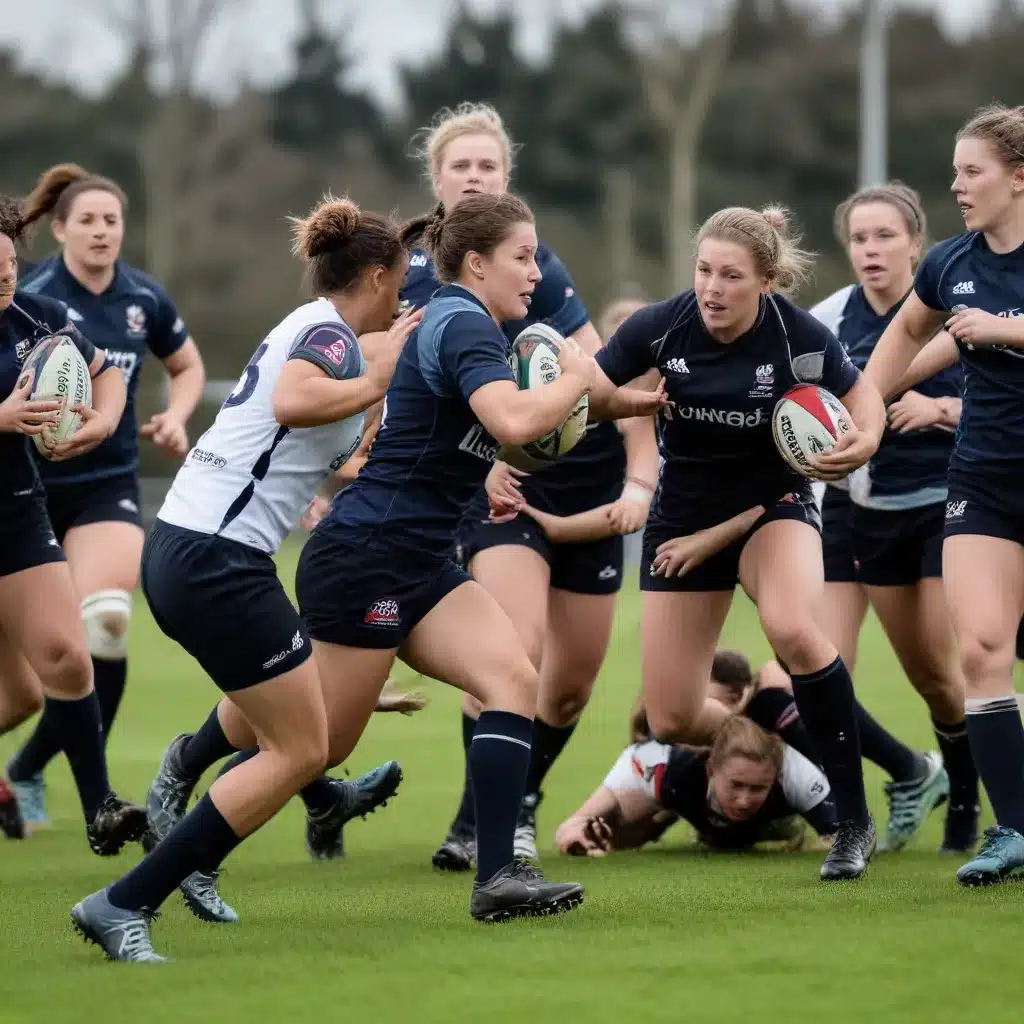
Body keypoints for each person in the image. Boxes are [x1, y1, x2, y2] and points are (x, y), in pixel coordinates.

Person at [292, 193, 663, 928]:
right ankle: (168, 855)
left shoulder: (484, 326)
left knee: (512, 676)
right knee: (312, 746)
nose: (537, 270)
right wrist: (578, 376)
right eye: (524, 257)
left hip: (419, 558)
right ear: (476, 260)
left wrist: (646, 399)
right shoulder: (463, 322)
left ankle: (495, 874)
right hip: (372, 551)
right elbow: (518, 420)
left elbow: (541, 421)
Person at [70, 195, 421, 962]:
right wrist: (377, 378)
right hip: (214, 561)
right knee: (300, 749)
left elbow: (307, 448)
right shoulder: (329, 335)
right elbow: (296, 404)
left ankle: (197, 834)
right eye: (399, 281)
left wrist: (377, 409)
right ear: (372, 275)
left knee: (299, 736)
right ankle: (126, 900)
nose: (403, 297)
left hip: (199, 553)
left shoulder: (326, 336)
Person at [590, 203, 888, 881]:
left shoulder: (797, 338)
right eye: (703, 271)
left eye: (730, 275)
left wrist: (864, 439)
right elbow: (590, 390)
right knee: (667, 717)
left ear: (767, 280)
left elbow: (863, 396)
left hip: (772, 508)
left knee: (791, 627)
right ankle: (774, 725)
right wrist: (630, 403)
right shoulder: (660, 327)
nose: (712, 288)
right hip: (683, 517)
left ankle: (851, 818)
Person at [399, 103, 660, 872]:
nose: (475, 177)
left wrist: (643, 474)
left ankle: (496, 808)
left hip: (586, 487)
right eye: (461, 167)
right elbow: (408, 391)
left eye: (489, 167)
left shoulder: (531, 262)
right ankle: (500, 821)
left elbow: (601, 375)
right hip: (501, 493)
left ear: (507, 182)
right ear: (436, 181)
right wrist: (484, 460)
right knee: (514, 652)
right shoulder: (411, 276)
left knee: (570, 689)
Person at [6, 164, 206, 829]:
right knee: (17, 696)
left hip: (86, 492)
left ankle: (93, 803)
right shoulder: (38, 293)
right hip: (38, 484)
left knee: (93, 634)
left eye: (111, 220)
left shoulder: (124, 301)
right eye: (86, 219)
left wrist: (141, 415)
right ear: (59, 229)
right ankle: (28, 770)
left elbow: (150, 369)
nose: (100, 231)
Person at [864, 102, 1024, 887]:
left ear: (1018, 179)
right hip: (984, 479)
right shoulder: (951, 262)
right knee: (982, 650)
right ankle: (1016, 830)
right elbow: (909, 335)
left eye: (972, 172)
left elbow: (983, 332)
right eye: (955, 171)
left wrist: (1007, 330)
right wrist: (861, 411)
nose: (956, 186)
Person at [804, 182, 979, 854]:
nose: (871, 250)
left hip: (945, 505)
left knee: (939, 673)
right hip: (857, 510)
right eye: (858, 238)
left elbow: (1000, 399)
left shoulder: (949, 306)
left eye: (885, 236)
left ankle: (963, 801)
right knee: (820, 670)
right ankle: (887, 794)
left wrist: (939, 411)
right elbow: (798, 400)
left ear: (916, 242)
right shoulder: (829, 320)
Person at [0, 189, 147, 853]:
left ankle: (101, 809)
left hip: (15, 513)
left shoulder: (35, 316)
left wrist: (103, 421)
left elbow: (103, 374)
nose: (5, 281)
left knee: (57, 665)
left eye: (8, 268)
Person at [555, 715, 836, 858]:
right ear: (711, 769)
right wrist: (580, 841)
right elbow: (570, 827)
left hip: (774, 828)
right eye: (736, 785)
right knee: (621, 828)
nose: (743, 800)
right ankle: (666, 818)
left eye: (757, 788)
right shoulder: (659, 762)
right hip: (682, 803)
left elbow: (850, 835)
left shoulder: (794, 770)